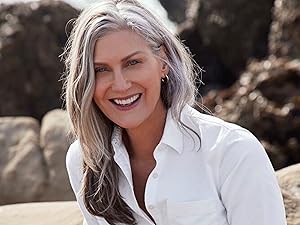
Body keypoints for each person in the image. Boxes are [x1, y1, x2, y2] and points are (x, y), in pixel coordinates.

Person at [62, 0, 287, 224]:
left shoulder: (232, 152)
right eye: (101, 69)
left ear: (163, 60)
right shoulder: (85, 160)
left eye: (133, 63)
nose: (120, 85)